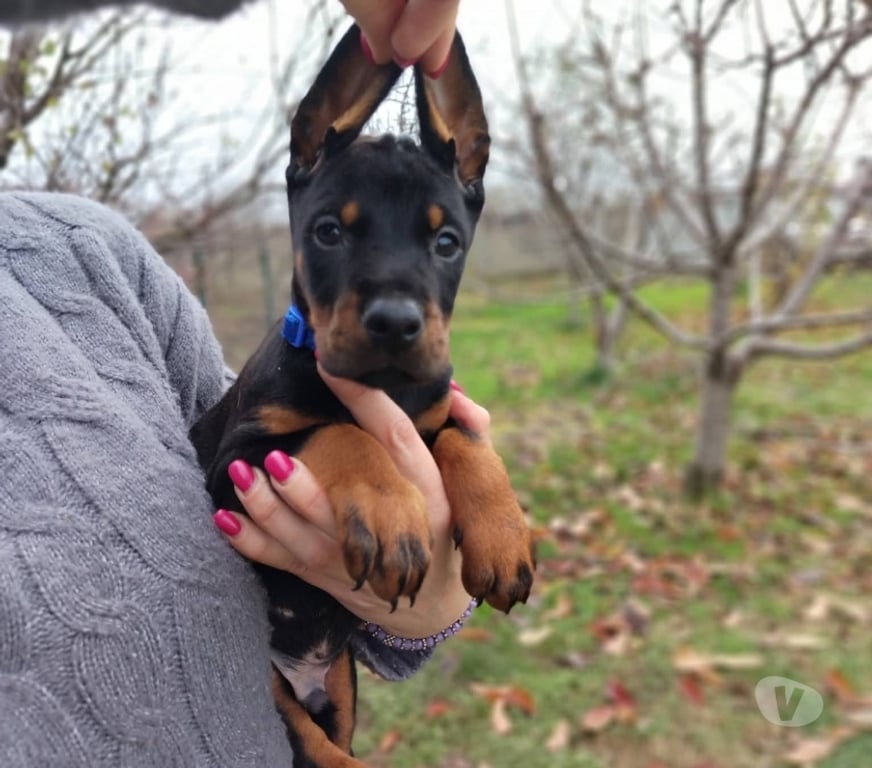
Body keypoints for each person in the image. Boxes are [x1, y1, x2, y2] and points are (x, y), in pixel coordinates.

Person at [0, 1, 488, 766]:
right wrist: (354, 468)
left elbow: (233, 441)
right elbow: (261, 442)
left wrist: (437, 595)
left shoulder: (85, 255)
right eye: (333, 231)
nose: (394, 305)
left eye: (443, 241)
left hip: (315, 638)